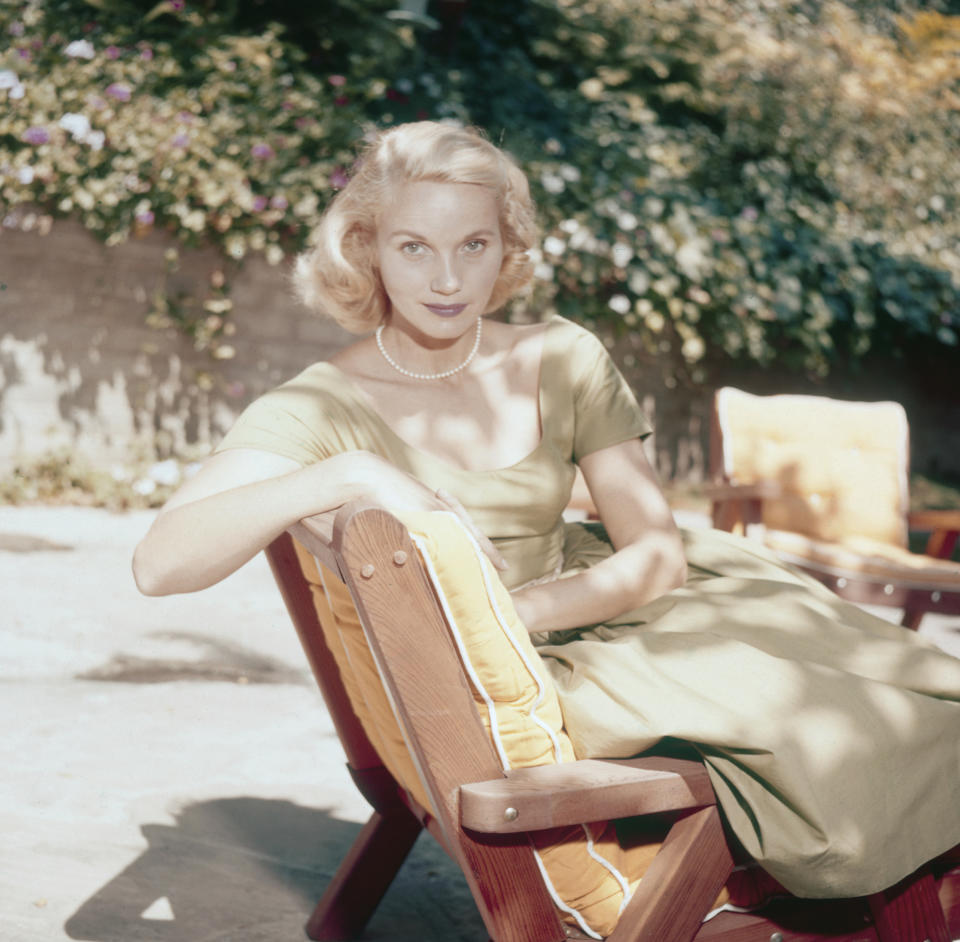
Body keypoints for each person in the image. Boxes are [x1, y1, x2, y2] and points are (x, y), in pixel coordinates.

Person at [133, 121, 960, 901]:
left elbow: (657, 555)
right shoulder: (322, 404)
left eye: (474, 246)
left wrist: (514, 610)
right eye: (414, 247)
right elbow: (159, 563)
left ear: (507, 250)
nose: (448, 280)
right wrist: (343, 473)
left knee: (918, 685)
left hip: (624, 601)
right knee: (840, 734)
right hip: (545, 670)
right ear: (367, 251)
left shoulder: (564, 356)